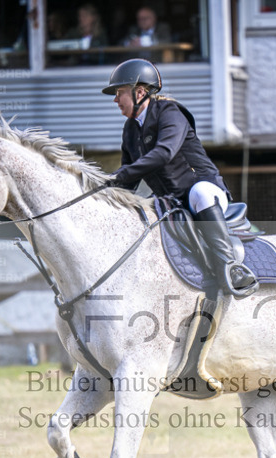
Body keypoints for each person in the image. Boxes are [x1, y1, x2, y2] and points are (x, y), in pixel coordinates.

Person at [103, 59, 258, 298]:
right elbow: (128, 179)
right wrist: (102, 188)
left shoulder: (170, 112)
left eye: (119, 93)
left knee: (199, 193)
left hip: (205, 191)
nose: (115, 100)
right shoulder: (130, 129)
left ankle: (232, 268)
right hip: (171, 201)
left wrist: (120, 174)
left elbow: (164, 153)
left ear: (140, 92)